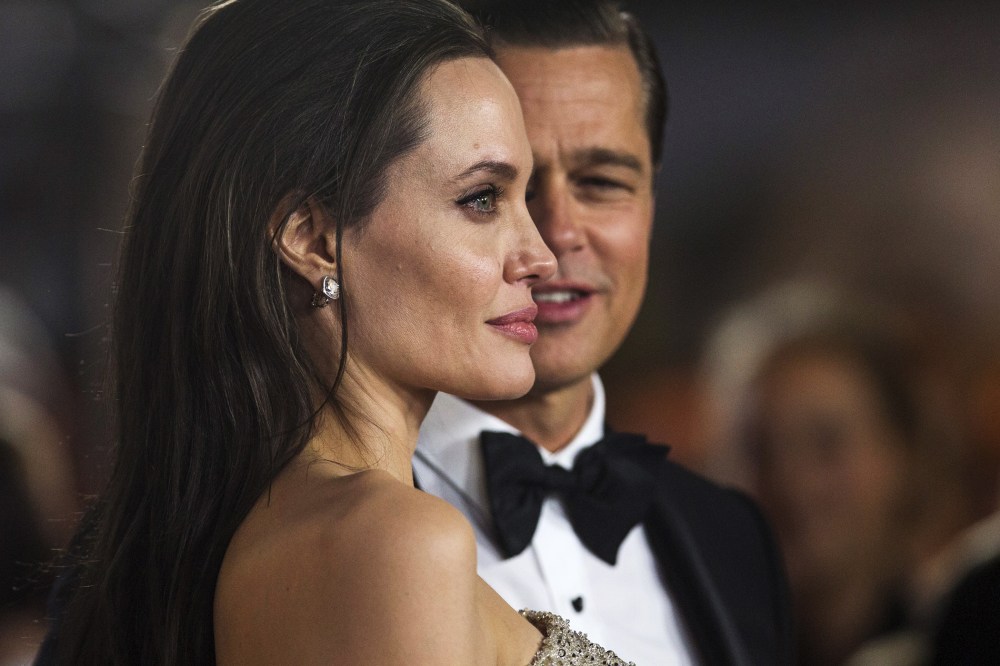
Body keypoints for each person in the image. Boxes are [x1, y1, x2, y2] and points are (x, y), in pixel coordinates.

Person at [37, 1, 644, 664]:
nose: (540, 256)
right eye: (481, 200)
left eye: (518, 198)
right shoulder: (390, 542)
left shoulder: (245, 531)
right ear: (313, 238)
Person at [414, 2, 794, 664]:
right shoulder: (340, 527)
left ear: (652, 203)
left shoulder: (733, 538)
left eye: (601, 182)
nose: (557, 234)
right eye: (503, 189)